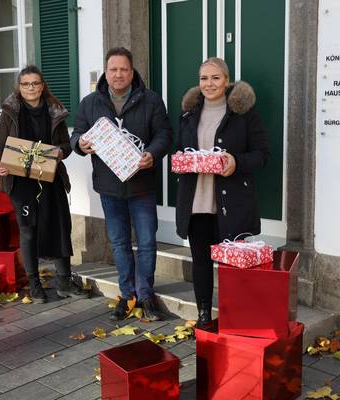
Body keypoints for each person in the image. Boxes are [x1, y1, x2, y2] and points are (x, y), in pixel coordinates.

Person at [71, 47, 172, 321]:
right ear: (106, 72)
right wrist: (79, 144)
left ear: (132, 71)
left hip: (142, 185)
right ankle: (127, 296)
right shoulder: (90, 103)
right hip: (109, 187)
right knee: (119, 243)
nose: (118, 74)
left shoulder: (151, 101)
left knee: (148, 242)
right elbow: (77, 133)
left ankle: (146, 296)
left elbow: (164, 134)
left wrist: (153, 153)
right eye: (113, 69)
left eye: (123, 69)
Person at [175, 58, 269, 327]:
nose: (209, 84)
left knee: (232, 267)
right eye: (204, 78)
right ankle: (204, 316)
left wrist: (236, 162)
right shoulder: (189, 114)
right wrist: (183, 159)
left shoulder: (244, 113)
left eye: (215, 78)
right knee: (201, 263)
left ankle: (234, 318)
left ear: (227, 80)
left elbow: (262, 155)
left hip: (233, 204)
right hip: (196, 203)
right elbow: (184, 149)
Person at [0, 65, 86, 303]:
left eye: (35, 83)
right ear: (19, 87)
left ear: (42, 86)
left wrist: (59, 153)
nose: (30, 88)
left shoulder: (55, 111)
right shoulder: (10, 112)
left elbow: (66, 145)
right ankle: (35, 284)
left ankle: (64, 282)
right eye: (25, 84)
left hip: (50, 178)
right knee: (28, 230)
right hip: (21, 182)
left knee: (59, 227)